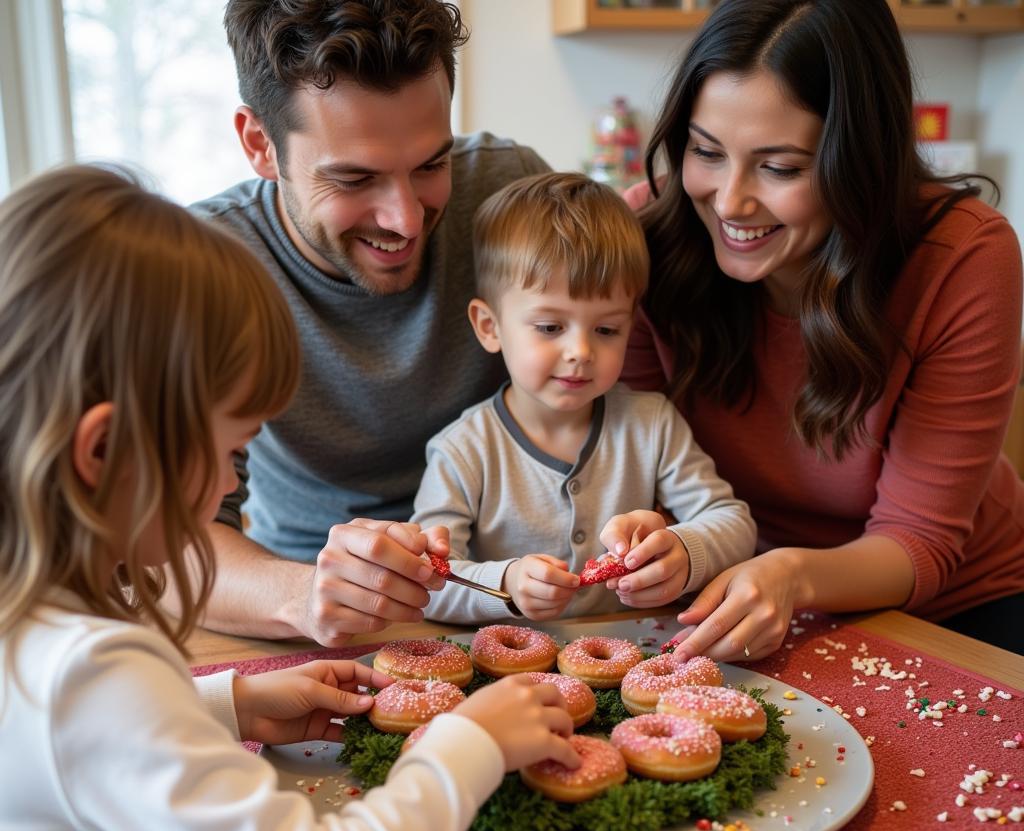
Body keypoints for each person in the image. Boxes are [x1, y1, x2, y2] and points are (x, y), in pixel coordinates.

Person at [0, 165, 579, 831]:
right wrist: (464, 744)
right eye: (231, 453)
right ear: (105, 448)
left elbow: (78, 759)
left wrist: (227, 703)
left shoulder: (38, 630)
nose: (229, 485)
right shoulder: (92, 669)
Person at [621, 0, 1024, 658]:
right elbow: (636, 470)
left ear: (861, 160)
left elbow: (917, 542)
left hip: (959, 604)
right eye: (706, 152)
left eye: (780, 168)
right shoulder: (649, 236)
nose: (729, 202)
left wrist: (790, 572)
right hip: (734, 587)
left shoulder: (964, 258)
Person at [191, 0, 550, 647]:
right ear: (258, 144)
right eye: (354, 178)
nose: (406, 220)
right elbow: (165, 549)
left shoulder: (510, 193)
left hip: (507, 592)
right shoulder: (208, 266)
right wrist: (302, 595)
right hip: (305, 617)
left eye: (431, 165)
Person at [412, 172, 756, 623]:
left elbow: (733, 523)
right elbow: (427, 579)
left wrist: (684, 552)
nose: (581, 352)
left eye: (606, 329)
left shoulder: (652, 424)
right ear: (489, 326)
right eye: (551, 327)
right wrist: (507, 585)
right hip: (507, 677)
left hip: (639, 663)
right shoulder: (462, 450)